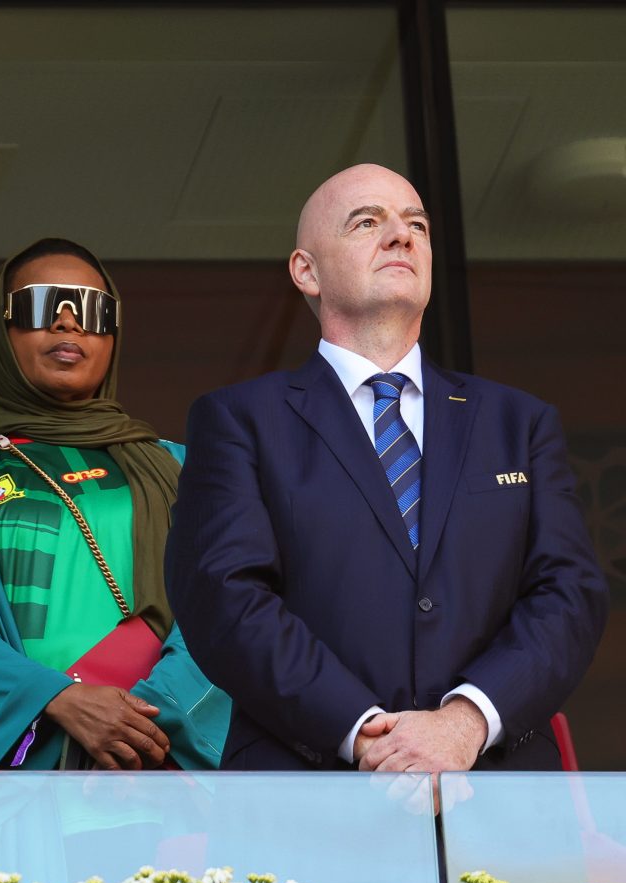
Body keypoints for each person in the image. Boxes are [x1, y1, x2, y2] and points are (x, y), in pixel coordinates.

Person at [165, 164, 609, 772]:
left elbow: (569, 593)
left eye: (417, 225)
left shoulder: (520, 422)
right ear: (307, 271)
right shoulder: (238, 420)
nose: (402, 235)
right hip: (308, 789)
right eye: (367, 222)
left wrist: (466, 722)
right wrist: (366, 734)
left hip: (497, 787)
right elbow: (223, 597)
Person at [0, 237, 229, 773]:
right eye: (40, 305)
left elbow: (233, 603)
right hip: (28, 772)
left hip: (163, 763)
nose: (68, 321)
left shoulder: (190, 469)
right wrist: (59, 700)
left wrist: (148, 718)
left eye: (93, 309)